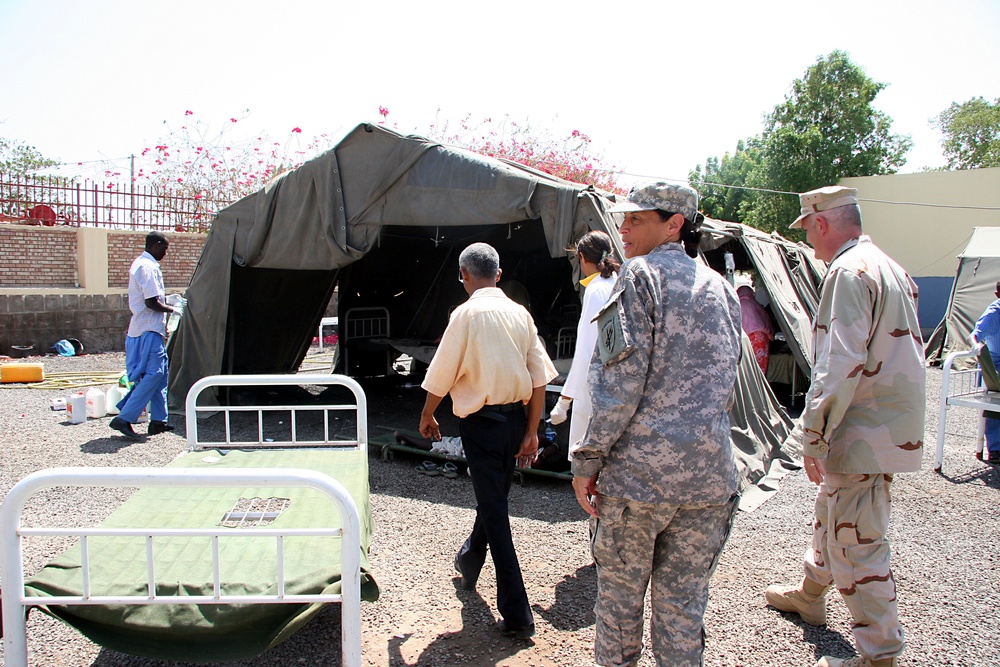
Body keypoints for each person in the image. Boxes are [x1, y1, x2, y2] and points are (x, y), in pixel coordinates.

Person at [571, 181, 742, 667]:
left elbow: (616, 385)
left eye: (637, 219)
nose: (623, 228)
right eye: (623, 219)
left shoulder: (637, 277)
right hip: (708, 482)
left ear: (675, 225)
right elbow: (731, 383)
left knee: (621, 613)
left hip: (639, 484)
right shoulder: (722, 290)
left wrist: (587, 460)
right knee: (682, 610)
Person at [764, 186, 925, 667]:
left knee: (857, 541)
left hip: (861, 429)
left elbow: (840, 362)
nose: (810, 242)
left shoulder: (847, 272)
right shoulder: (887, 265)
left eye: (809, 229)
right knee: (832, 510)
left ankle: (879, 653)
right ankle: (811, 593)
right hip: (881, 426)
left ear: (822, 223)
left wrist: (814, 434)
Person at [418, 242, 557, 639]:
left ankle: (517, 613)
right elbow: (539, 379)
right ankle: (469, 558)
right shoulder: (520, 313)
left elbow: (441, 373)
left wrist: (428, 415)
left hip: (481, 425)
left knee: (495, 509)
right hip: (516, 423)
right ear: (498, 274)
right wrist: (532, 432)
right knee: (494, 499)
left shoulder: (464, 315)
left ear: (463, 276)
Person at [549, 230, 621, 458]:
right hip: (618, 387)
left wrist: (564, 400)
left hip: (595, 390)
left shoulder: (596, 290)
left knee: (587, 464)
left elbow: (586, 351)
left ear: (581, 257)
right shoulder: (617, 282)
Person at [109, 231, 178, 440]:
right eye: (164, 248)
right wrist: (173, 309)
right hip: (148, 330)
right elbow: (151, 302)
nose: (165, 253)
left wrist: (167, 301)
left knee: (161, 375)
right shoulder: (147, 267)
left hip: (144, 329)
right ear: (156, 245)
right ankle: (125, 417)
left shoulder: (141, 264)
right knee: (154, 374)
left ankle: (158, 420)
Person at [971, 281, 1000, 465]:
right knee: (996, 399)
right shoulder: (994, 313)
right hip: (995, 365)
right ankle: (996, 448)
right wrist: (977, 348)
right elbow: (975, 335)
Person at [736, 277, 774, 373]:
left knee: (748, 365)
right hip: (762, 338)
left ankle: (751, 386)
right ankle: (760, 385)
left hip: (749, 338)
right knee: (760, 366)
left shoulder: (739, 305)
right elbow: (766, 319)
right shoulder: (755, 303)